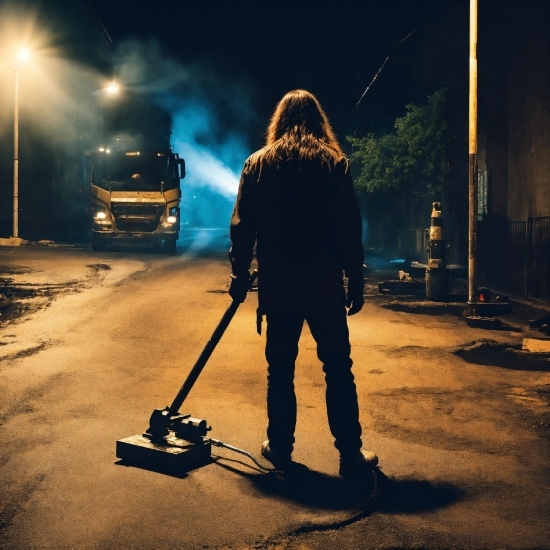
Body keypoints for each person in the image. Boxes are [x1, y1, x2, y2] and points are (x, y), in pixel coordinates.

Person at [228, 89, 378, 477]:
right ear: (318, 121)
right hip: (323, 286)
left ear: (278, 121)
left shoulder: (258, 165)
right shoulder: (334, 165)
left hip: (279, 288)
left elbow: (242, 228)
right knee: (338, 369)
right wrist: (355, 279)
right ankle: (349, 455)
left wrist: (239, 275)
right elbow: (347, 229)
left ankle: (280, 447)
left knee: (280, 370)